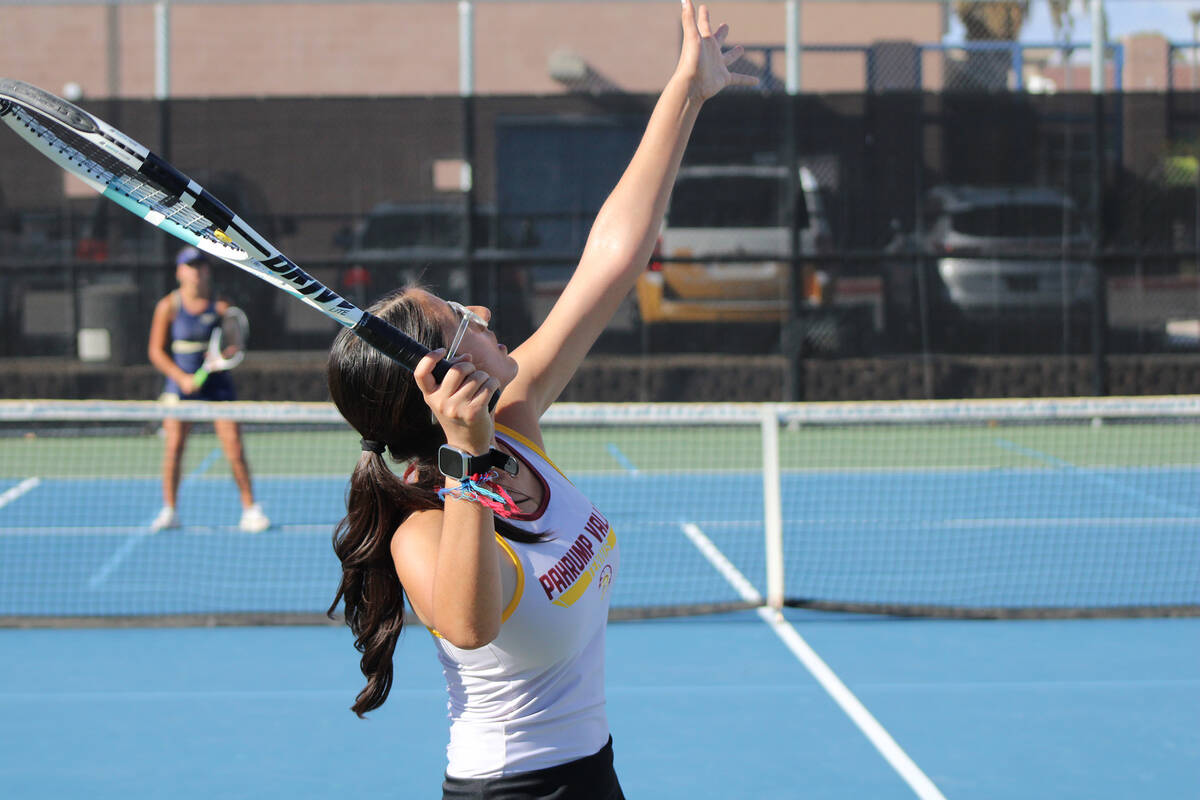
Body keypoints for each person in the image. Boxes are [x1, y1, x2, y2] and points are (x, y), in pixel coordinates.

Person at [325, 3, 755, 796]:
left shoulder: (514, 424)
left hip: (593, 773)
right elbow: (469, 623)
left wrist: (687, 91)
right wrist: (463, 462)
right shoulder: (421, 533)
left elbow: (613, 258)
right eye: (464, 323)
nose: (485, 315)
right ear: (444, 384)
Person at [147, 246, 270, 534]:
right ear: (179, 272)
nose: (196, 272)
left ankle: (250, 509)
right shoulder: (168, 306)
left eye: (201, 266)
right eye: (190, 266)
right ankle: (170, 510)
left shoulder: (221, 307)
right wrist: (181, 377)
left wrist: (227, 352)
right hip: (180, 388)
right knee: (174, 448)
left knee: (234, 447)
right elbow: (155, 351)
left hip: (218, 387)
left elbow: (232, 343)